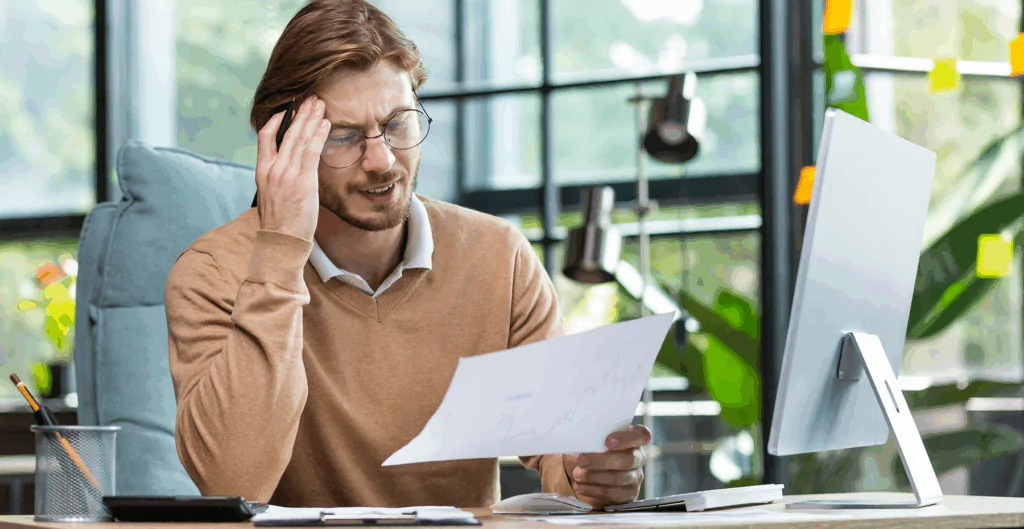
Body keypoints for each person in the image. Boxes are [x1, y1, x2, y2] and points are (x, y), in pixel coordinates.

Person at [165, 0, 651, 510]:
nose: (381, 161)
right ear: (286, 145)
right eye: (344, 136)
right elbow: (233, 484)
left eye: (398, 123)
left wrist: (588, 469)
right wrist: (283, 248)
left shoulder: (497, 254)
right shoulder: (213, 272)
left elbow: (560, 449)